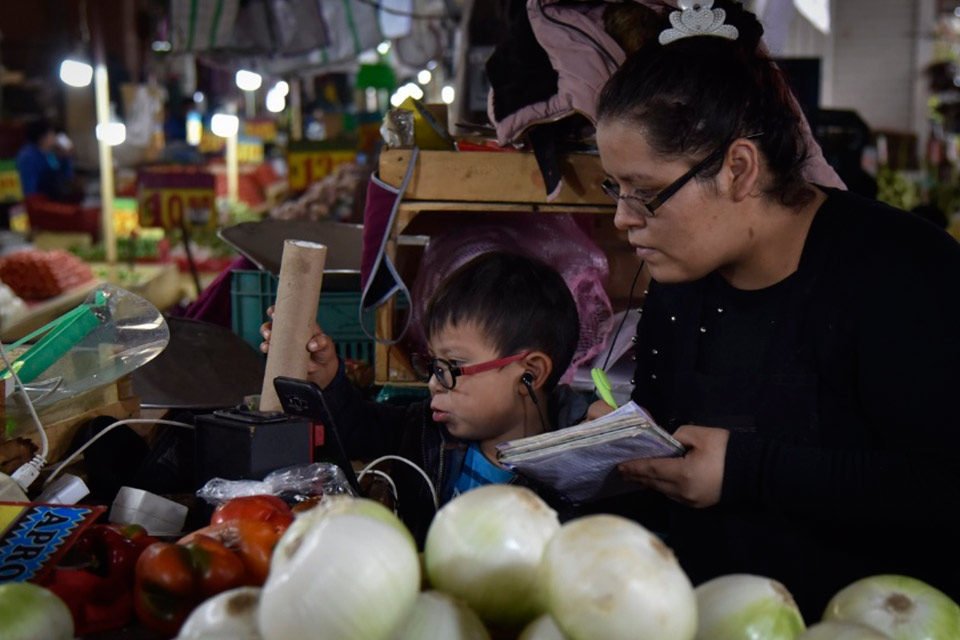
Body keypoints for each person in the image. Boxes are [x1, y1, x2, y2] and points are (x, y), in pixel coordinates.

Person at [591, 0, 960, 621]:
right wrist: (614, 449)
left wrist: (747, 470)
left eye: (647, 194)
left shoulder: (902, 272)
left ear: (738, 168)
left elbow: (942, 487)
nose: (625, 219)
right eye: (616, 189)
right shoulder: (680, 280)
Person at [260, 251, 587, 544]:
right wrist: (327, 380)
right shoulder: (422, 430)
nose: (433, 383)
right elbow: (357, 429)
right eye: (433, 365)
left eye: (452, 366)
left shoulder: (579, 470)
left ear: (529, 373)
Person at [15, 118, 77, 202]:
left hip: (52, 198)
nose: (55, 138)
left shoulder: (50, 154)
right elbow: (29, 188)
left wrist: (65, 157)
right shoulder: (27, 157)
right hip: (37, 201)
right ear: (42, 138)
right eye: (51, 134)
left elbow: (63, 176)